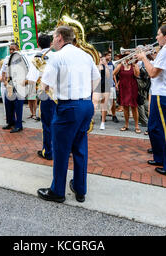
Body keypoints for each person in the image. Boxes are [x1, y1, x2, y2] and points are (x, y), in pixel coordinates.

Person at [37, 26, 100, 203]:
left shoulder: (57, 57)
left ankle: (57, 191)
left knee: (61, 150)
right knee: (80, 148)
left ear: (59, 38)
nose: (53, 41)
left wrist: (41, 93)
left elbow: (45, 86)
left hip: (68, 107)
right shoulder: (85, 56)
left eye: (54, 37)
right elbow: (97, 78)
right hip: (85, 104)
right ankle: (80, 189)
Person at [136, 24, 166, 178]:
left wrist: (143, 58)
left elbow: (152, 73)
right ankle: (159, 158)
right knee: (154, 127)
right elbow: (158, 66)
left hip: (162, 95)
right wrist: (150, 57)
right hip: (161, 93)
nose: (156, 37)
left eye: (158, 34)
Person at [26, 34, 56, 160]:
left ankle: (48, 152)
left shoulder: (38, 58)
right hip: (62, 94)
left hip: (46, 94)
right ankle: (63, 150)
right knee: (61, 123)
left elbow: (31, 79)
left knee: (47, 125)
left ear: (38, 45)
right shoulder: (58, 55)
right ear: (50, 44)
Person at [113, 53, 141, 133]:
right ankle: (126, 125)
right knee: (125, 107)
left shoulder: (134, 65)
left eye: (129, 57)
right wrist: (116, 83)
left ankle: (136, 126)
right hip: (123, 88)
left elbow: (137, 75)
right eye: (126, 57)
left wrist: (134, 65)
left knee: (134, 107)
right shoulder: (121, 65)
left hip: (132, 88)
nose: (127, 58)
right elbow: (113, 74)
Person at [1, 43, 24, 133]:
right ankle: (10, 122)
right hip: (9, 84)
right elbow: (3, 72)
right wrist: (5, 83)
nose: (11, 51)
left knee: (18, 106)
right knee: (8, 105)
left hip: (19, 85)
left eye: (13, 49)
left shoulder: (22, 58)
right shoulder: (6, 59)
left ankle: (19, 125)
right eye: (10, 49)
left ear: (18, 49)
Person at [92, 52, 111, 130]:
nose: (100, 58)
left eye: (101, 57)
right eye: (98, 57)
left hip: (105, 86)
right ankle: (90, 119)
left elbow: (108, 76)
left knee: (104, 105)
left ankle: (102, 123)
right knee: (94, 104)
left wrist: (105, 65)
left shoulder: (104, 65)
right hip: (97, 86)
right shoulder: (94, 65)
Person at [104, 51, 119, 123]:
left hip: (111, 85)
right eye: (108, 55)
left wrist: (116, 83)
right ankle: (103, 115)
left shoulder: (111, 64)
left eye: (110, 55)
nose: (110, 56)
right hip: (104, 84)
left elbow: (113, 75)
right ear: (105, 56)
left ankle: (114, 115)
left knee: (113, 101)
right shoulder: (101, 64)